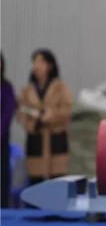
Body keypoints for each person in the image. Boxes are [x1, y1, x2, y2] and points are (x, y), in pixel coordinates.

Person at [16, 49, 73, 186]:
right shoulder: (27, 90)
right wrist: (32, 123)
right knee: (35, 180)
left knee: (57, 180)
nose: (37, 66)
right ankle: (35, 207)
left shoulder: (61, 87)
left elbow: (67, 109)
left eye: (41, 62)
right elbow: (20, 112)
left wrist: (51, 115)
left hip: (56, 138)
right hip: (36, 139)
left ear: (50, 66)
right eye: (34, 62)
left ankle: (56, 207)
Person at [1, 53, 17, 207]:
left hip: (1, 137)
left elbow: (8, 111)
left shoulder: (6, 87)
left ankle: (3, 206)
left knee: (2, 174)